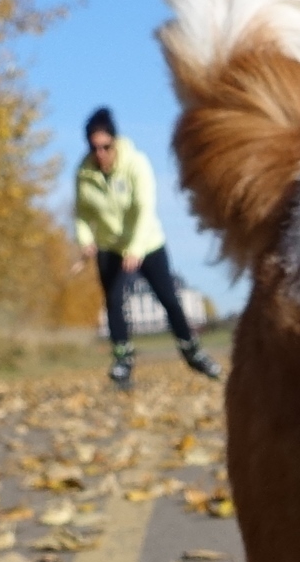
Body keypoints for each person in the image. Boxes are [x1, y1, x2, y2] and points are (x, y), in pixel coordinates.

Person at [71, 107, 221, 387]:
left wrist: (136, 249)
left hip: (147, 243)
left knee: (168, 298)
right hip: (110, 247)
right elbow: (81, 213)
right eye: (94, 148)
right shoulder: (84, 173)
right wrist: (85, 240)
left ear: (115, 142)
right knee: (115, 302)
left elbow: (144, 209)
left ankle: (192, 350)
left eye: (106, 146)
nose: (101, 153)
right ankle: (122, 362)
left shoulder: (136, 163)